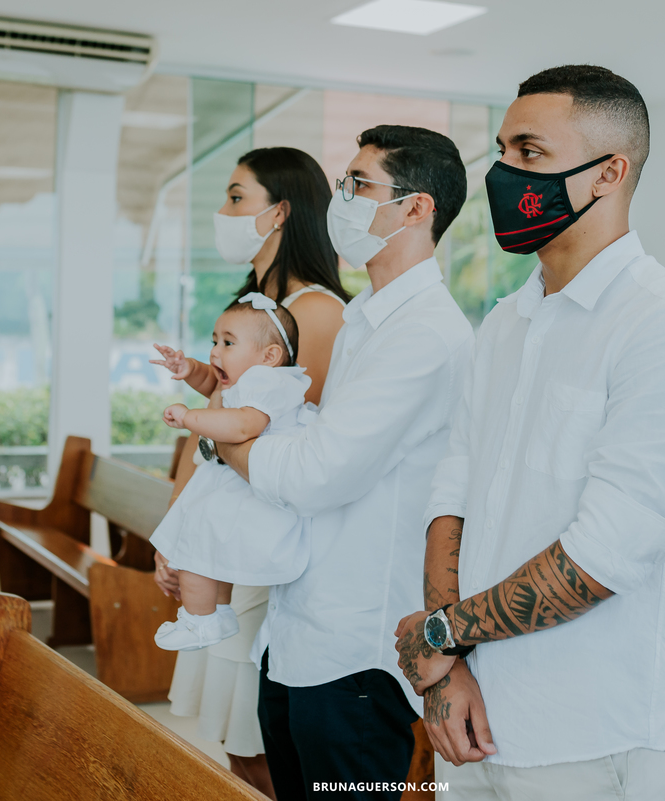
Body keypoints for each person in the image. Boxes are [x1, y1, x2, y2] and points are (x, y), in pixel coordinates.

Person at [395, 65, 665, 800]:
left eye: (530, 153)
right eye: (503, 150)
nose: (503, 173)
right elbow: (452, 489)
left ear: (608, 173)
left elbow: (610, 549)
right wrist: (448, 664)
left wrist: (439, 634)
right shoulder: (505, 323)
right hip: (472, 712)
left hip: (590, 730)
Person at [213, 125, 474, 801]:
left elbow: (318, 470)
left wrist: (224, 440)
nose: (342, 200)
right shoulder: (367, 315)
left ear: (418, 209)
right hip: (299, 630)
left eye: (359, 185)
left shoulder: (427, 333)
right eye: (342, 184)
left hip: (356, 653)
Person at [150, 146, 351, 799]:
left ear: (280, 211)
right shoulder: (252, 305)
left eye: (237, 197)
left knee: (258, 744)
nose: (223, 212)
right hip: (219, 523)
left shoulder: (314, 312)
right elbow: (217, 418)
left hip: (259, 540)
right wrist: (177, 536)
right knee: (238, 745)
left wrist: (219, 544)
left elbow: (283, 441)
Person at [150, 295, 309, 651]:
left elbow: (242, 426)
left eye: (228, 342)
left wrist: (190, 418)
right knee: (208, 556)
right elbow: (214, 384)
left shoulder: (268, 384)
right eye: (214, 341)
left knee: (193, 551)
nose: (215, 351)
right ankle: (215, 614)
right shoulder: (248, 381)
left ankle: (199, 621)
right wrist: (188, 367)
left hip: (246, 493)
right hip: (234, 486)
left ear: (269, 356)